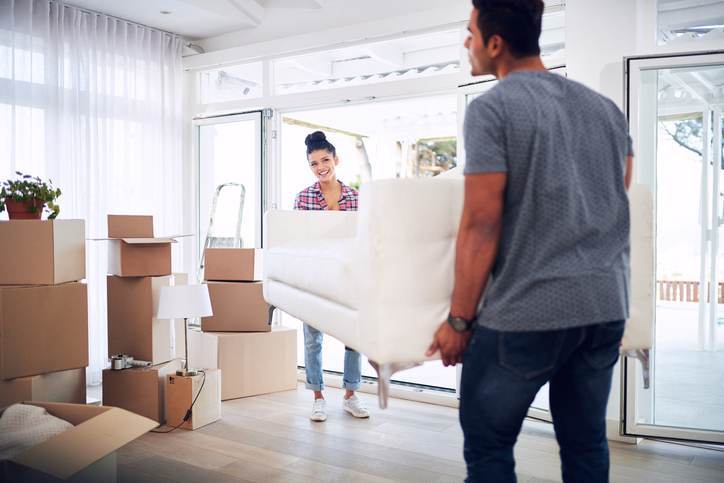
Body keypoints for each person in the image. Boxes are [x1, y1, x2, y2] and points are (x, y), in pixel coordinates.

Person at [426, 1, 633, 482]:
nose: (466, 42)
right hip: (603, 306)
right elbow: (617, 189)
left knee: (489, 447)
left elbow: (481, 222)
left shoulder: (492, 108)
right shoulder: (605, 109)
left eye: (470, 32)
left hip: (528, 311)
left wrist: (459, 319)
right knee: (585, 446)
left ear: (494, 44)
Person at [294, 130, 370, 422]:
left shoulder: (355, 197)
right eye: (314, 163)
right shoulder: (304, 198)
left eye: (325, 160)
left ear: (336, 159)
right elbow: (300, 242)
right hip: (315, 276)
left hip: (350, 276)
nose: (320, 167)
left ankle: (351, 395)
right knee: (313, 339)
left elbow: (363, 239)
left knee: (353, 338)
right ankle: (318, 397)